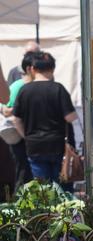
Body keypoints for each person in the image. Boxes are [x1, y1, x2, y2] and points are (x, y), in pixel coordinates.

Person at [12, 51, 78, 184]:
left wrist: (26, 135)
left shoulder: (24, 90)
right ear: (53, 68)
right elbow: (70, 117)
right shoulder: (58, 89)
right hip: (58, 145)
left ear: (33, 69)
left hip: (34, 145)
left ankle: (43, 205)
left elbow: (16, 119)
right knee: (61, 186)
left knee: (42, 189)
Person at [2, 51, 36, 188]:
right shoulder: (18, 86)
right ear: (29, 69)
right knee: (23, 170)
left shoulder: (31, 85)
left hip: (26, 134)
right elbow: (6, 109)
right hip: (17, 135)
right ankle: (18, 202)